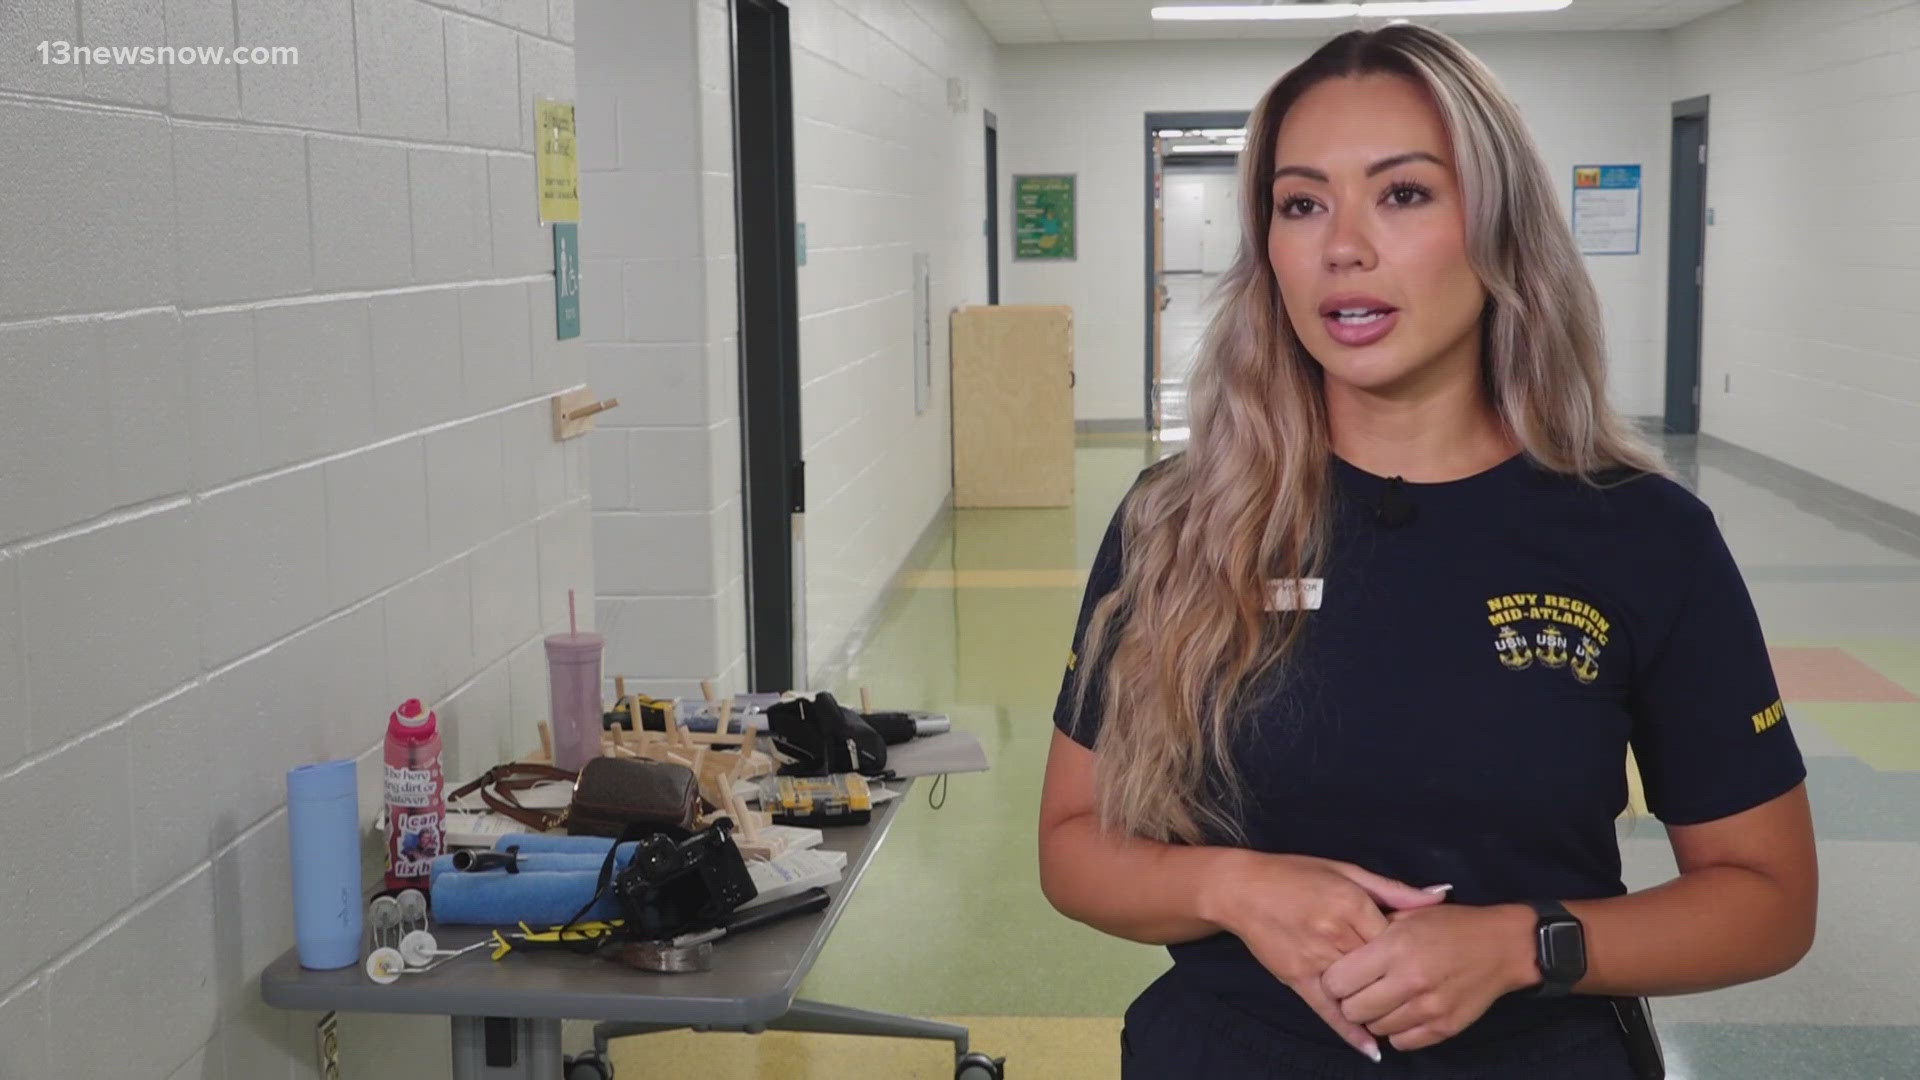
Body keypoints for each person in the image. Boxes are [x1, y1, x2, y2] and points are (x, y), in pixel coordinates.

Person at [1036, 24, 1816, 1079]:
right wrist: (1232, 887)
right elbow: (1075, 843)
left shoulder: (1644, 536)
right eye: (1301, 203)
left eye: (1403, 194)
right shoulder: (1178, 521)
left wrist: (1523, 945)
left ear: (1497, 228)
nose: (1341, 245)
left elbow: (1768, 902)